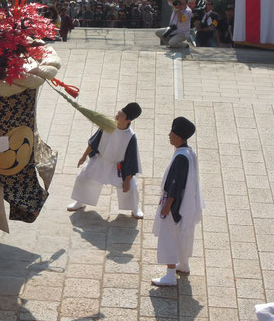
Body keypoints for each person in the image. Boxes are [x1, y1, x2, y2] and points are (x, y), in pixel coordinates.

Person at [151, 117, 205, 287]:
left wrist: (167, 206)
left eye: (172, 133)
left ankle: (170, 275)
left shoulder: (181, 157)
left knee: (169, 237)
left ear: (178, 137)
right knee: (183, 235)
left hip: (175, 206)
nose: (169, 135)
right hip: (187, 203)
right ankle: (184, 265)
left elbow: (175, 184)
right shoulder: (189, 152)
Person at [67, 102, 144, 219]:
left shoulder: (130, 137)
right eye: (119, 112)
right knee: (84, 177)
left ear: (128, 120)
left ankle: (135, 208)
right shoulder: (106, 125)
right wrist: (83, 156)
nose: (117, 115)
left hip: (118, 167)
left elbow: (131, 160)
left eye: (121, 115)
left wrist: (127, 180)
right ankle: (80, 201)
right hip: (100, 160)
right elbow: (94, 143)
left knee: (131, 187)